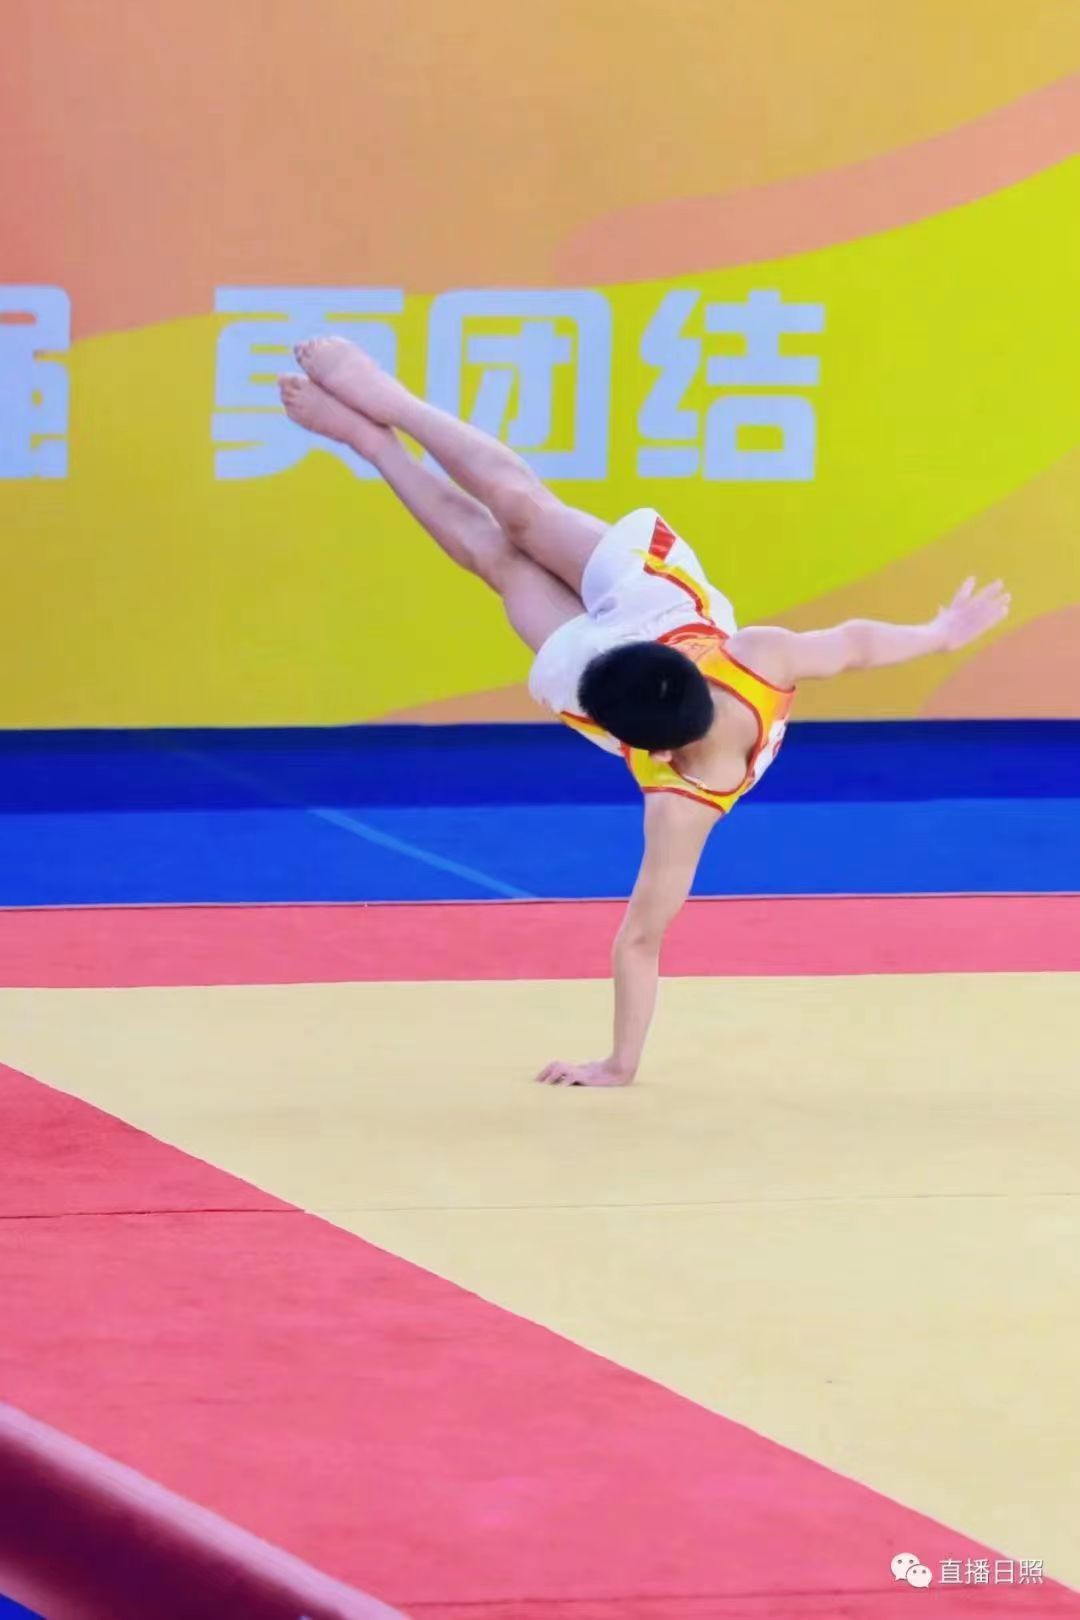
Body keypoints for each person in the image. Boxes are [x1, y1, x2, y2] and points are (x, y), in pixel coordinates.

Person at [279, 340, 1010, 1087]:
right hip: (662, 611)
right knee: (524, 509)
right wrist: (937, 634)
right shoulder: (757, 655)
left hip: (609, 672)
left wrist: (618, 1065)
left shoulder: (678, 812)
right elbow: (853, 644)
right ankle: (391, 400)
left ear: (646, 752)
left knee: (500, 562)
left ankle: (371, 442)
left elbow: (641, 939)